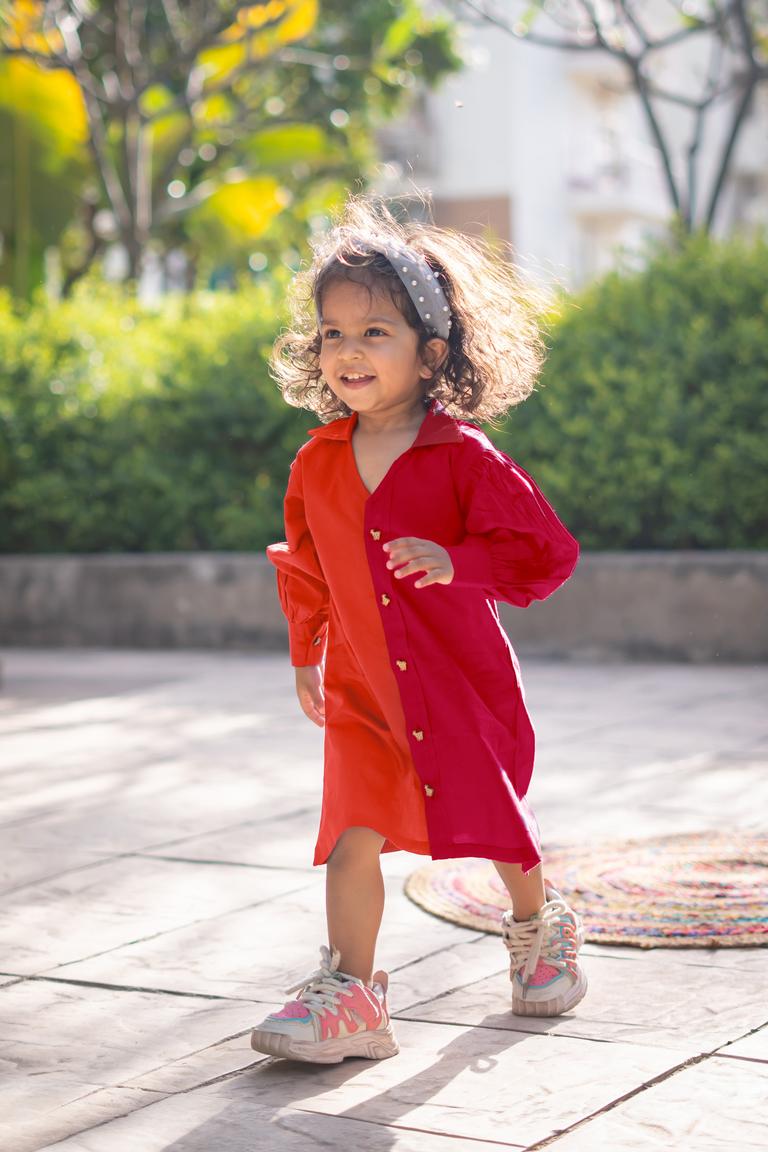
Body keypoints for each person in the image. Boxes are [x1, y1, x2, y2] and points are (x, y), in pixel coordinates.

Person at [250, 196, 586, 1065]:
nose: (348, 351)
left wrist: (457, 561)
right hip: (364, 685)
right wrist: (306, 651)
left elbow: (544, 555)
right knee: (350, 835)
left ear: (430, 352)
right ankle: (352, 995)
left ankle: (537, 926)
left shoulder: (463, 456)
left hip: (456, 681)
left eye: (375, 332)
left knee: (493, 825)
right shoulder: (317, 460)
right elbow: (307, 565)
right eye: (331, 334)